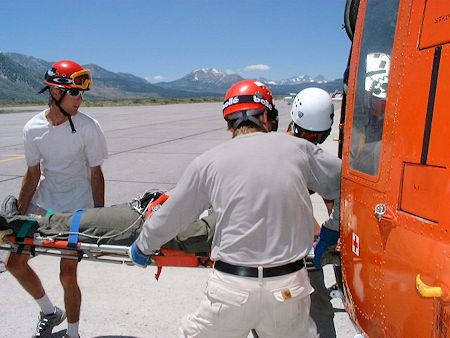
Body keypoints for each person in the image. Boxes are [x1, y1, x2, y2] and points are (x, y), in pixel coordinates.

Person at [129, 80, 341, 337]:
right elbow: (347, 184)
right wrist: (332, 230)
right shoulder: (300, 150)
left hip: (232, 289)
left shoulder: (206, 162)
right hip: (288, 289)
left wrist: (142, 246)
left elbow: (172, 216)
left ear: (230, 122)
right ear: (265, 116)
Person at [5, 60, 108, 338]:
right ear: (55, 92)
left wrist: (99, 218)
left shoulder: (89, 127)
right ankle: (50, 312)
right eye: (75, 93)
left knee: (67, 274)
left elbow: (96, 175)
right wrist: (19, 215)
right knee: (14, 264)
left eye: (81, 93)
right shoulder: (33, 128)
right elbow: (32, 173)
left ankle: (73, 334)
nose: (81, 99)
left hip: (78, 208)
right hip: (43, 203)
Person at [288, 87, 341, 338]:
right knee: (318, 309)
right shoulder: (315, 158)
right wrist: (327, 235)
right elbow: (333, 198)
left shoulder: (274, 145)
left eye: (317, 139)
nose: (313, 143)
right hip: (290, 251)